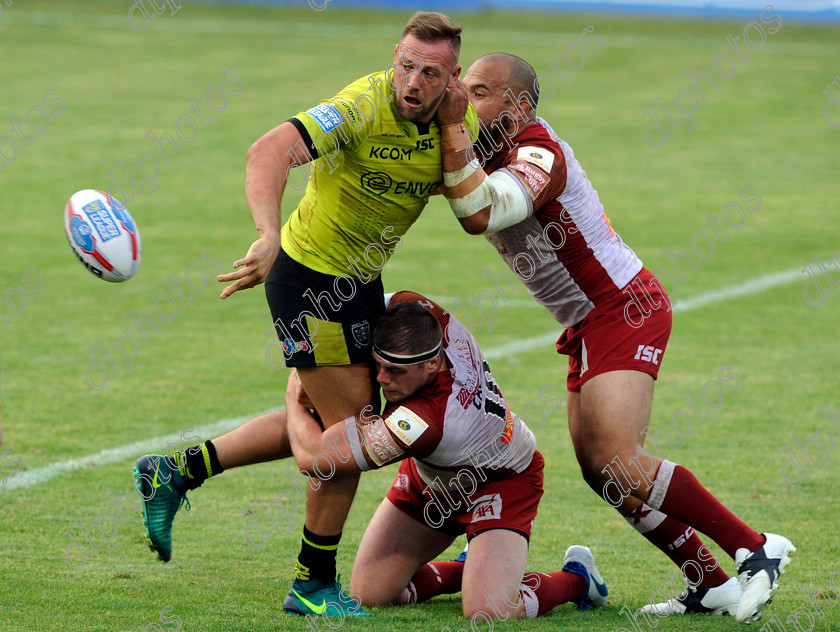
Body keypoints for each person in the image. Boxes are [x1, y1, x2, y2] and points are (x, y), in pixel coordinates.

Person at [133, 11, 478, 618]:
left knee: (337, 418)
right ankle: (310, 585)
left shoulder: (456, 121)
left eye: (430, 72)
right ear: (393, 59)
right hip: (308, 278)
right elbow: (268, 150)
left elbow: (468, 200)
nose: (412, 82)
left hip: (362, 281)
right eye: (405, 65)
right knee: (348, 439)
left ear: (451, 78)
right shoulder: (361, 106)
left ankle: (176, 471)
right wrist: (267, 235)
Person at [431, 52, 794, 624]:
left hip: (623, 306)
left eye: (478, 90)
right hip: (586, 320)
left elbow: (480, 212)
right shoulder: (480, 142)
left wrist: (449, 130)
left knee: (618, 460)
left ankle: (756, 548)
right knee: (601, 472)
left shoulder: (537, 152)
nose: (462, 96)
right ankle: (712, 583)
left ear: (517, 104)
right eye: (461, 86)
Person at [284, 290, 609, 620]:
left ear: (432, 364)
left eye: (395, 371)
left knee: (488, 611)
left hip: (500, 481)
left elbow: (316, 459)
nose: (382, 379)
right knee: (369, 594)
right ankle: (468, 569)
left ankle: (579, 579)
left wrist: (294, 389)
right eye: (379, 364)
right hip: (433, 477)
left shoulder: (426, 422)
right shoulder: (422, 316)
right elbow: (370, 303)